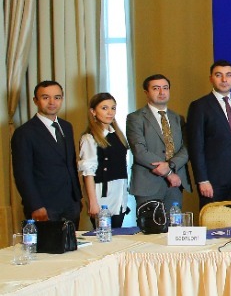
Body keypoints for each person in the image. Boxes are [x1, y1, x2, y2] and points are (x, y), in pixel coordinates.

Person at [12, 80, 82, 224]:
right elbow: (22, 174)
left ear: (62, 99)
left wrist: (77, 198)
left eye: (57, 97)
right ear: (35, 101)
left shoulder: (66, 127)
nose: (52, 102)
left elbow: (70, 164)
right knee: (48, 240)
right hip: (44, 206)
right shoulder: (24, 133)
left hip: (71, 203)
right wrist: (35, 206)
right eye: (45, 97)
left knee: (73, 240)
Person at [185, 60, 231, 207]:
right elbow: (196, 146)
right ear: (211, 78)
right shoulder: (199, 106)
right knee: (213, 219)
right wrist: (202, 179)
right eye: (219, 75)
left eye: (228, 75)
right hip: (213, 181)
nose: (224, 79)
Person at [126, 74, 191, 209]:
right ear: (146, 92)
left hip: (175, 182)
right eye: (156, 88)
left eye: (165, 88)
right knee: (151, 222)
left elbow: (187, 147)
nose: (162, 92)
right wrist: (168, 173)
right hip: (148, 182)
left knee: (174, 221)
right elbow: (139, 151)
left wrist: (171, 165)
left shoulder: (178, 118)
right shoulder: (135, 118)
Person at [78, 92, 130, 229]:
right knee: (103, 235)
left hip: (119, 192)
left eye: (113, 108)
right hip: (102, 193)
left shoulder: (117, 135)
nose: (110, 112)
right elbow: (88, 172)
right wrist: (93, 202)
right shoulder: (89, 138)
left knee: (117, 234)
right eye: (104, 108)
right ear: (93, 111)